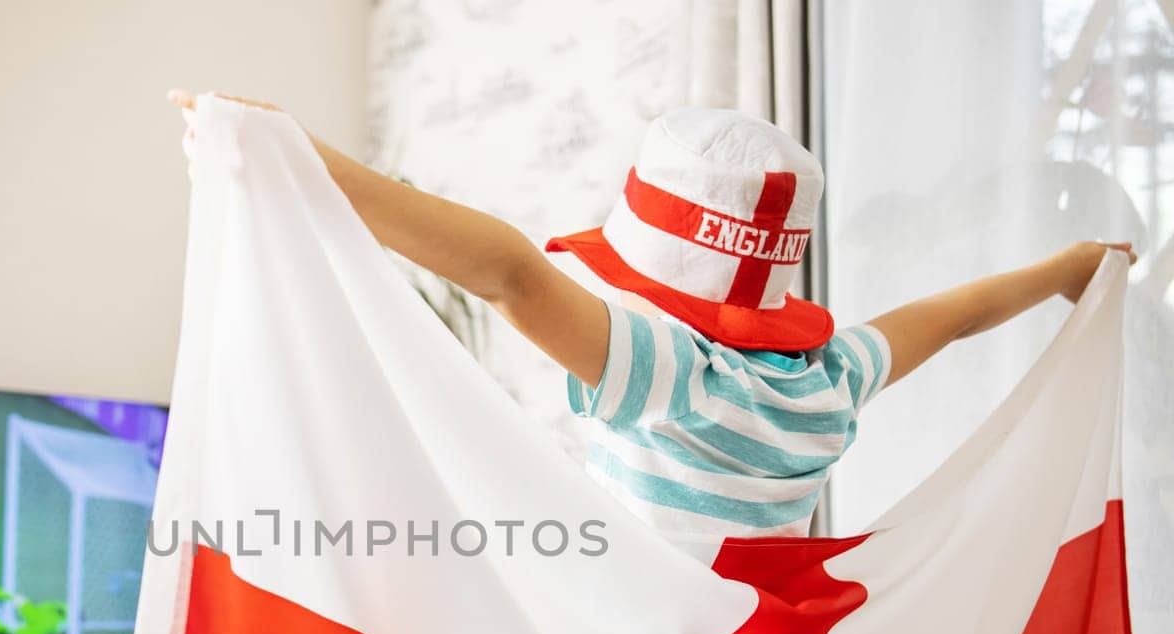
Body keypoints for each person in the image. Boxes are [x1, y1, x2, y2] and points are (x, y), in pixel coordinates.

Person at [169, 91, 1135, 538]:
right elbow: (953, 314)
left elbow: (509, 273)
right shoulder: (832, 375)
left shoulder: (673, 374)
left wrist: (302, 161)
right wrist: (1065, 269)